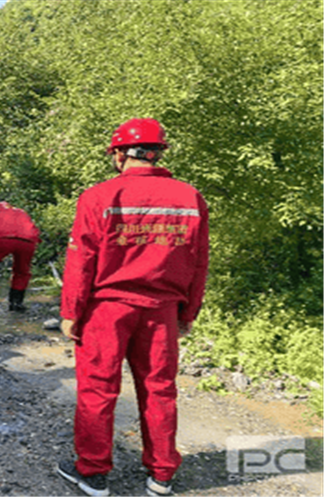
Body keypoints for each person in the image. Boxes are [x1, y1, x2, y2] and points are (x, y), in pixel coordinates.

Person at [56, 118, 209, 497]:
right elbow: (198, 261)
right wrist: (189, 312)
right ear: (158, 154)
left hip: (107, 309)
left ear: (120, 154)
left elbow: (82, 259)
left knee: (98, 389)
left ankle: (92, 473)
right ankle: (161, 475)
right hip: (161, 310)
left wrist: (71, 312)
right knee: (160, 389)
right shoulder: (190, 198)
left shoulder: (98, 196)